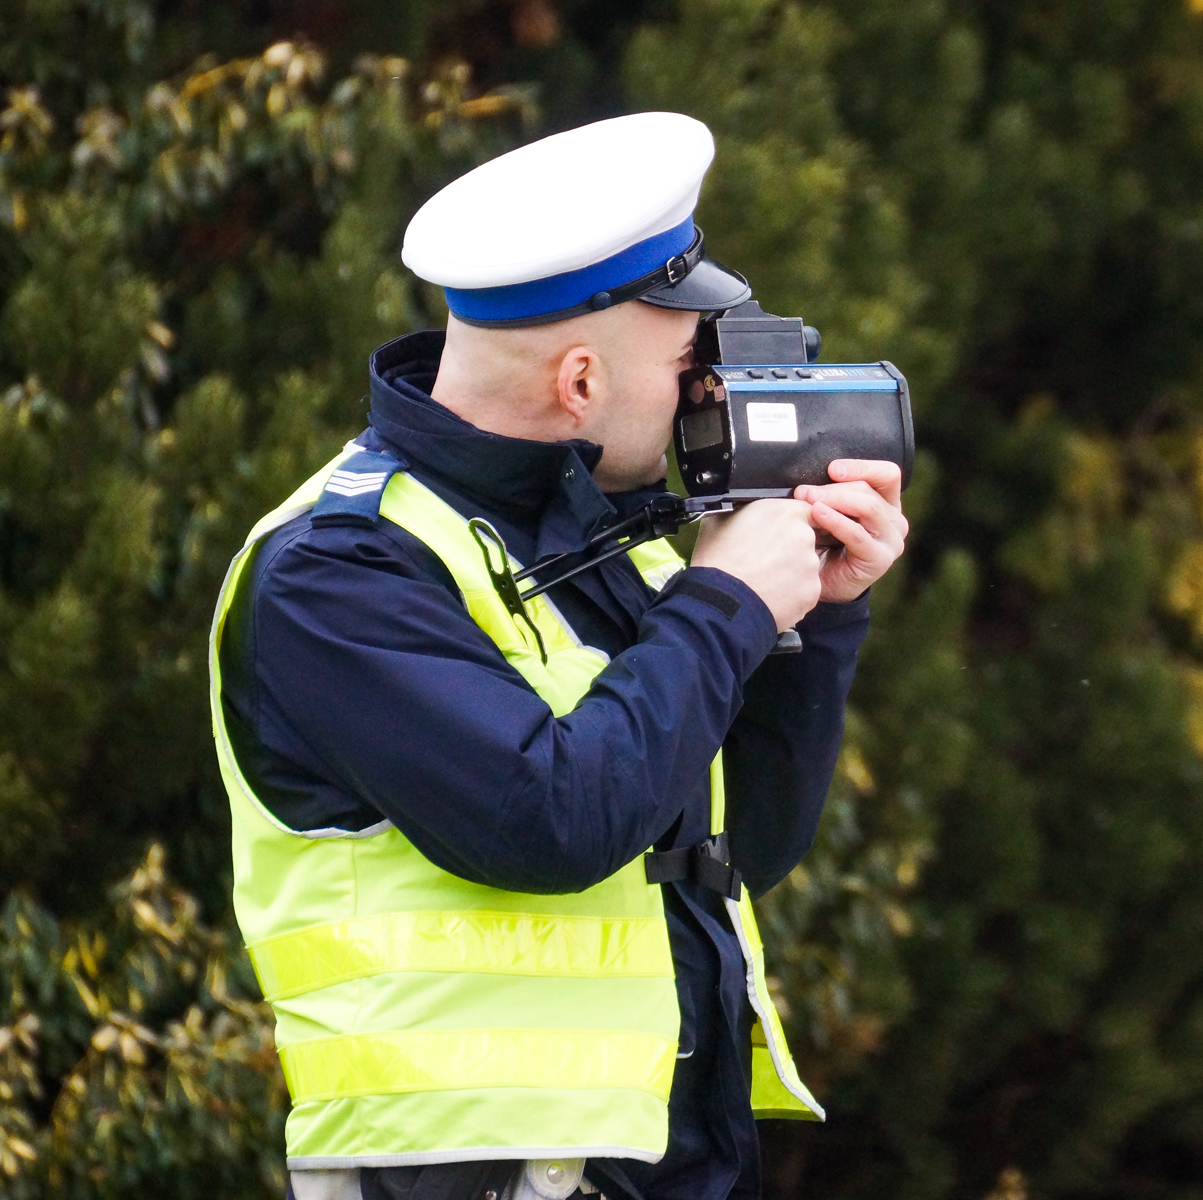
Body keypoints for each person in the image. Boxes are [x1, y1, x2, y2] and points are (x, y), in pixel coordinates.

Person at [207, 112, 907, 1200]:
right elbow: (549, 820)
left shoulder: (612, 550)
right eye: (686, 364)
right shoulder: (337, 572)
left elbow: (743, 848)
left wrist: (815, 618)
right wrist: (727, 603)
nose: (704, 398)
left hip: (668, 1167)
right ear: (579, 383)